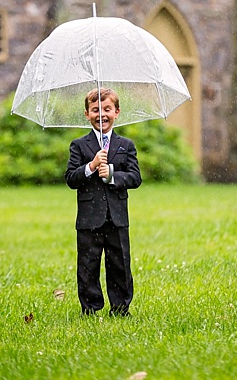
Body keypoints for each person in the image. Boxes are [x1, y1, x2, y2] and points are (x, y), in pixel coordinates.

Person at [64, 87, 142, 316]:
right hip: (89, 217)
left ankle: (120, 308)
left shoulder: (125, 145)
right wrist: (91, 166)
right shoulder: (79, 145)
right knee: (88, 264)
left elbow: (135, 178)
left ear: (117, 112)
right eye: (96, 110)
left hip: (117, 217)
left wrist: (112, 175)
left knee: (119, 263)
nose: (102, 115)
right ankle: (90, 307)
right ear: (87, 114)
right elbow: (70, 178)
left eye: (107, 109)